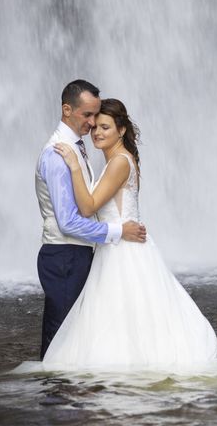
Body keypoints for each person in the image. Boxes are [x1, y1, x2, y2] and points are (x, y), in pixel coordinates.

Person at [43, 98, 217, 374]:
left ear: (121, 130)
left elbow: (87, 207)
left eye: (105, 127)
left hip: (122, 249)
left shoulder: (120, 162)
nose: (97, 132)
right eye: (95, 127)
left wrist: (73, 166)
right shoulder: (118, 161)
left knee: (122, 313)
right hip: (118, 243)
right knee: (124, 314)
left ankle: (124, 371)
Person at [35, 80, 146, 359]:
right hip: (65, 256)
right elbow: (69, 223)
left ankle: (71, 394)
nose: (93, 124)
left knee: (80, 336)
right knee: (60, 339)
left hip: (86, 254)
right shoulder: (58, 154)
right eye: (88, 116)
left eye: (98, 118)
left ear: (121, 129)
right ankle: (55, 396)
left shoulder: (80, 150)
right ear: (67, 110)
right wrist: (119, 231)